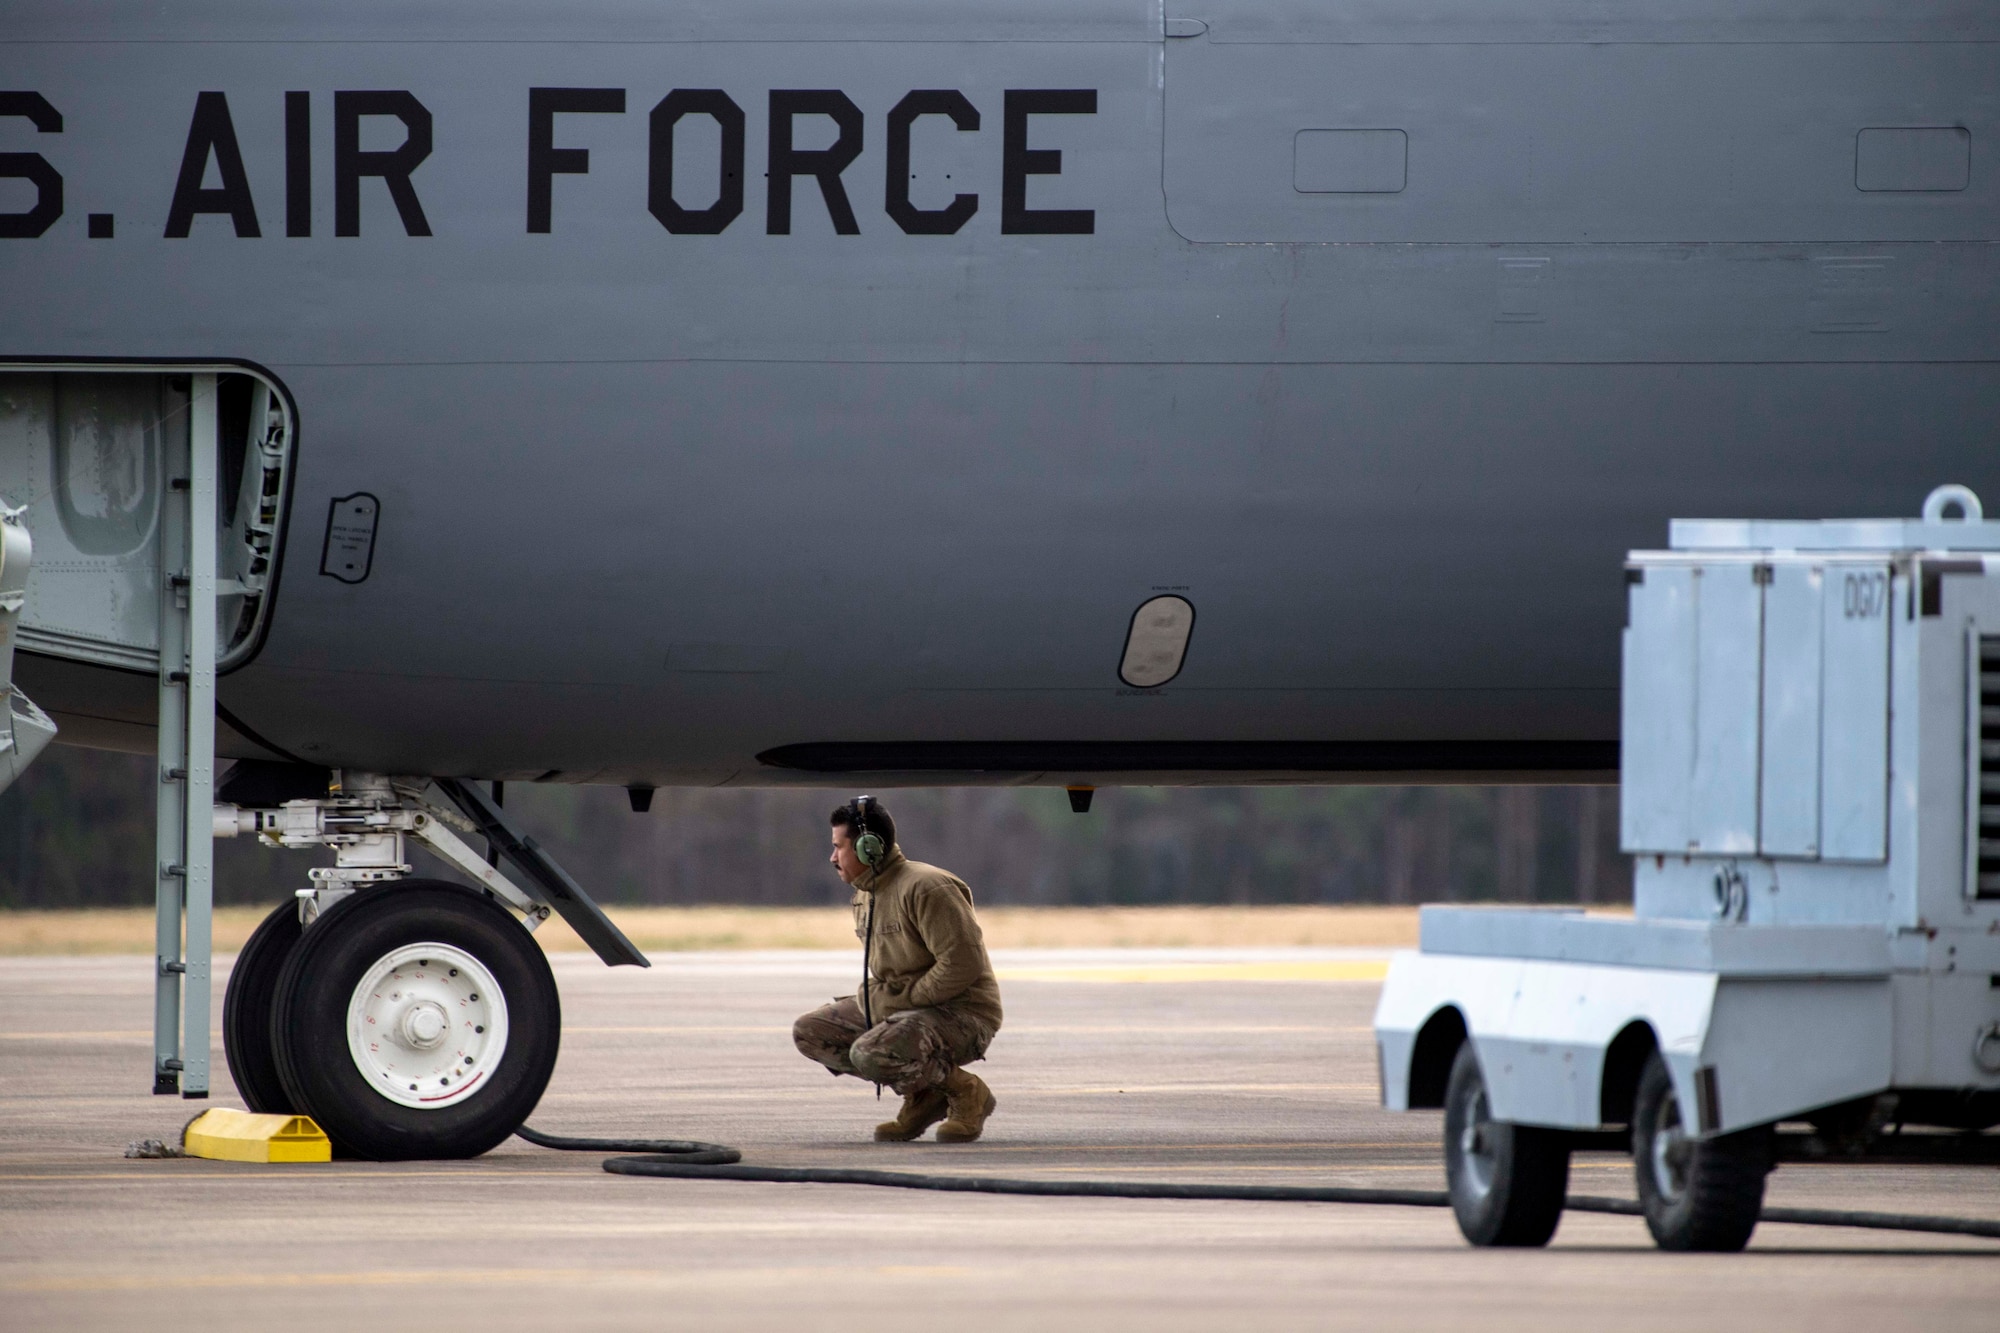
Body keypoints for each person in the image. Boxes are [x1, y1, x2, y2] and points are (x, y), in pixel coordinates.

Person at [792, 797, 1003, 1142]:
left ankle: (965, 1091)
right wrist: (887, 1002)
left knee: (870, 1050)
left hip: (961, 1015)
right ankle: (924, 1095)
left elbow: (961, 964)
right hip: (909, 1010)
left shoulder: (928, 888)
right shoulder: (866, 896)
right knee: (812, 1031)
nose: (832, 858)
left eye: (838, 847)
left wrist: (904, 1000)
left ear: (868, 847)